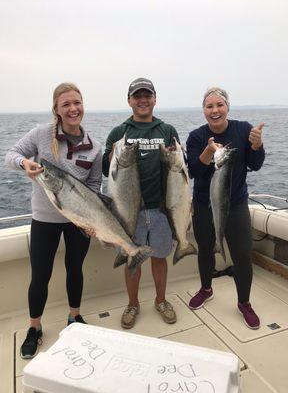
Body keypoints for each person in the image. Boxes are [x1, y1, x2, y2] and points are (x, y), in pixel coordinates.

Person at [5, 82, 102, 358]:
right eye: (66, 104)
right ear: (56, 110)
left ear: (83, 105)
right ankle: (34, 328)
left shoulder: (94, 146)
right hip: (44, 220)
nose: (73, 109)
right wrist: (24, 164)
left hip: (78, 221)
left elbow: (95, 186)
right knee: (40, 276)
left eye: (77, 102)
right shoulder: (41, 134)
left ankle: (74, 317)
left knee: (75, 269)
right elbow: (10, 154)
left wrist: (93, 219)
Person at [102, 77, 179, 329]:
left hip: (159, 211)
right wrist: (112, 155)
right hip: (128, 211)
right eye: (137, 96)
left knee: (159, 258)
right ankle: (133, 304)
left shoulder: (167, 130)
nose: (142, 100)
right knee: (131, 259)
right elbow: (106, 170)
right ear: (129, 101)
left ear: (155, 99)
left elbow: (177, 170)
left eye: (147, 95)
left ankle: (161, 300)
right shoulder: (118, 133)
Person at [186, 87, 265, 329]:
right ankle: (206, 288)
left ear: (227, 107)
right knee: (206, 250)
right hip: (203, 204)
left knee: (242, 255)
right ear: (204, 111)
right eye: (209, 106)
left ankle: (244, 302)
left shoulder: (243, 129)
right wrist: (208, 152)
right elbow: (194, 172)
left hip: (236, 203)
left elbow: (256, 164)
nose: (215, 110)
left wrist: (256, 146)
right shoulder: (196, 137)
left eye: (219, 105)